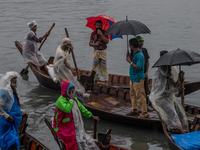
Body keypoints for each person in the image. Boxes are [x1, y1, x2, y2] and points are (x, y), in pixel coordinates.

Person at [53, 80, 100, 150]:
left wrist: (92, 116)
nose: (72, 91)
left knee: (87, 141)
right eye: (70, 89)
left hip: (75, 125)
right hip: (64, 126)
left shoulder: (74, 99)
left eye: (73, 89)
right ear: (66, 90)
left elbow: (81, 108)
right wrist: (71, 100)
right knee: (73, 143)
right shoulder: (60, 101)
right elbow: (67, 109)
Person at [149, 52, 188, 134]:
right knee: (173, 116)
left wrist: (180, 78)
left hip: (170, 97)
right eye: (169, 68)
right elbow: (162, 92)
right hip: (161, 98)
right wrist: (176, 90)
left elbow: (174, 84)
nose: (170, 69)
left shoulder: (170, 73)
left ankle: (184, 129)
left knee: (181, 113)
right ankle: (182, 133)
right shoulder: (158, 75)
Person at [126, 38, 149, 118]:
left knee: (140, 95)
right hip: (133, 77)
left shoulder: (140, 55)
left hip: (138, 78)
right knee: (133, 94)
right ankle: (135, 108)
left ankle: (144, 112)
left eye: (129, 45)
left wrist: (130, 62)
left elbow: (138, 67)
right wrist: (130, 58)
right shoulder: (135, 53)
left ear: (131, 46)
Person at [0, 71, 22, 150]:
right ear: (9, 79)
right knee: (9, 139)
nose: (15, 80)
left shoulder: (12, 89)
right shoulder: (5, 91)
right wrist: (7, 116)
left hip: (13, 119)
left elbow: (14, 103)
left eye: (16, 78)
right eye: (14, 78)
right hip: (6, 120)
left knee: (11, 137)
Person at [134, 35, 153, 111]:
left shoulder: (144, 50)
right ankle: (138, 106)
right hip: (137, 74)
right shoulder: (134, 51)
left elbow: (147, 61)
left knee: (146, 90)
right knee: (138, 90)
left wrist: (147, 71)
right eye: (140, 41)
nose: (141, 43)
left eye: (142, 41)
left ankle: (146, 105)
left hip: (144, 73)